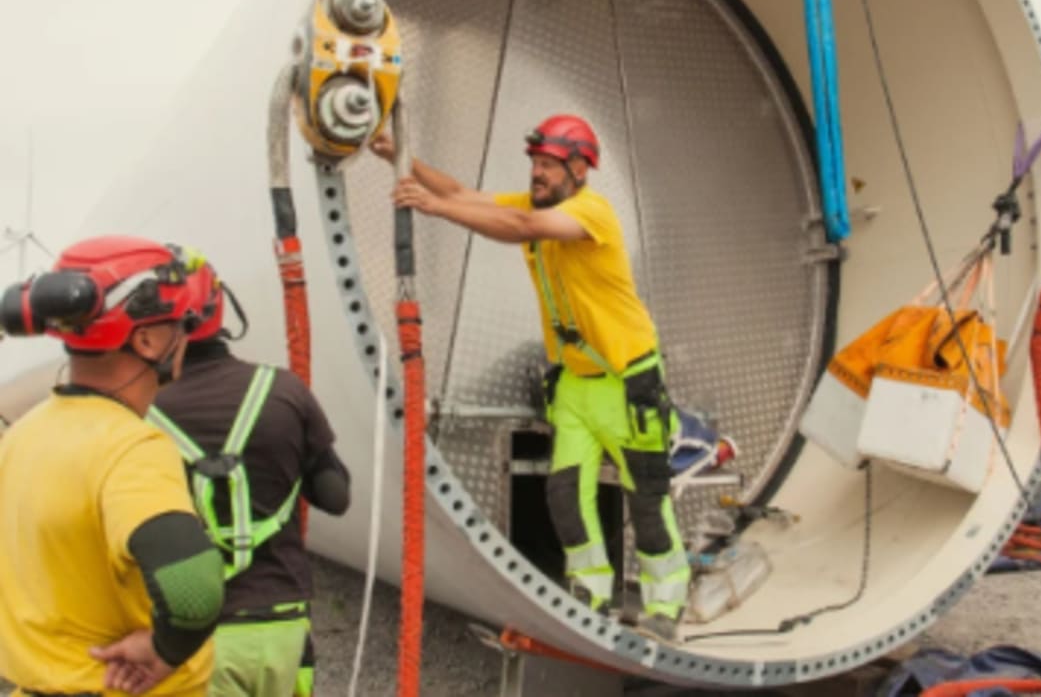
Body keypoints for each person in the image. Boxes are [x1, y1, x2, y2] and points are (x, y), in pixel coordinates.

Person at [373, 114, 690, 640]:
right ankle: (590, 597)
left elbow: (521, 228)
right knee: (565, 495)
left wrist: (433, 209)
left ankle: (665, 604)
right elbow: (463, 193)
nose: (537, 175)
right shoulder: (536, 204)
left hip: (626, 383)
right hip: (574, 387)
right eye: (535, 164)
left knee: (647, 499)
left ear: (578, 168)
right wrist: (400, 160)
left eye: (548, 165)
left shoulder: (592, 213)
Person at [0, 236, 224, 696]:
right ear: (145, 339)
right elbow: (194, 591)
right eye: (179, 326)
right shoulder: (131, 448)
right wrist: (165, 652)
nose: (184, 339)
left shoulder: (22, 436)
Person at [150, 252, 351, 696]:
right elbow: (335, 497)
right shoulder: (283, 391)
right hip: (283, 626)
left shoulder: (147, 412)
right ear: (221, 310)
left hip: (200, 634)